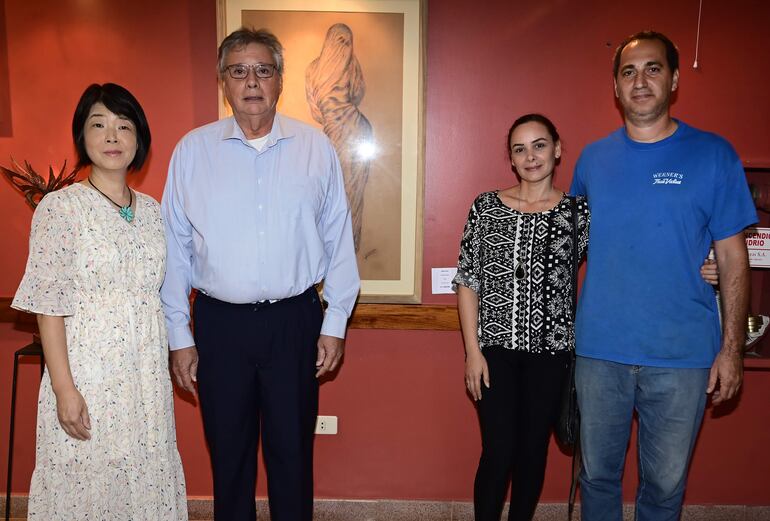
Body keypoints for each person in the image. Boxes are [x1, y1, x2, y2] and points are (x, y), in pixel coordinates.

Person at [160, 28, 360, 521]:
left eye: (263, 70)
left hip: (294, 323)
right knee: (228, 456)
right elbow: (174, 250)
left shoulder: (315, 149)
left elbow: (338, 243)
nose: (252, 82)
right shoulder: (192, 151)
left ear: (280, 80)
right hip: (218, 326)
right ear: (223, 81)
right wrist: (179, 337)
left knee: (292, 455)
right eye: (239, 70)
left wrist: (334, 324)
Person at [570, 30, 756, 521]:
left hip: (682, 355)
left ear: (674, 80)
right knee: (596, 478)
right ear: (615, 88)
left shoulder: (714, 154)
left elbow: (734, 258)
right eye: (628, 72)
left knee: (666, 486)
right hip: (599, 351)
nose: (640, 81)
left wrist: (731, 350)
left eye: (653, 69)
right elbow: (568, 244)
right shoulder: (591, 160)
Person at [11, 83, 187, 520]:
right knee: (86, 484)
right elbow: (49, 306)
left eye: (123, 126)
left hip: (145, 380)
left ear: (139, 139)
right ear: (82, 137)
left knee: (145, 482)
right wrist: (63, 389)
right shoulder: (60, 209)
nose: (112, 136)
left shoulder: (152, 211)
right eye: (99, 124)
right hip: (88, 375)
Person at [454, 114, 590, 521]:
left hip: (552, 354)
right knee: (498, 450)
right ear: (511, 159)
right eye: (519, 149)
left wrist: (702, 266)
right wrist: (472, 353)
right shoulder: (486, 207)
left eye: (539, 145)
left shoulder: (578, 214)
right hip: (495, 352)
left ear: (558, 149)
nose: (530, 156)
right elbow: (467, 279)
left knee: (533, 451)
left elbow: (624, 258)